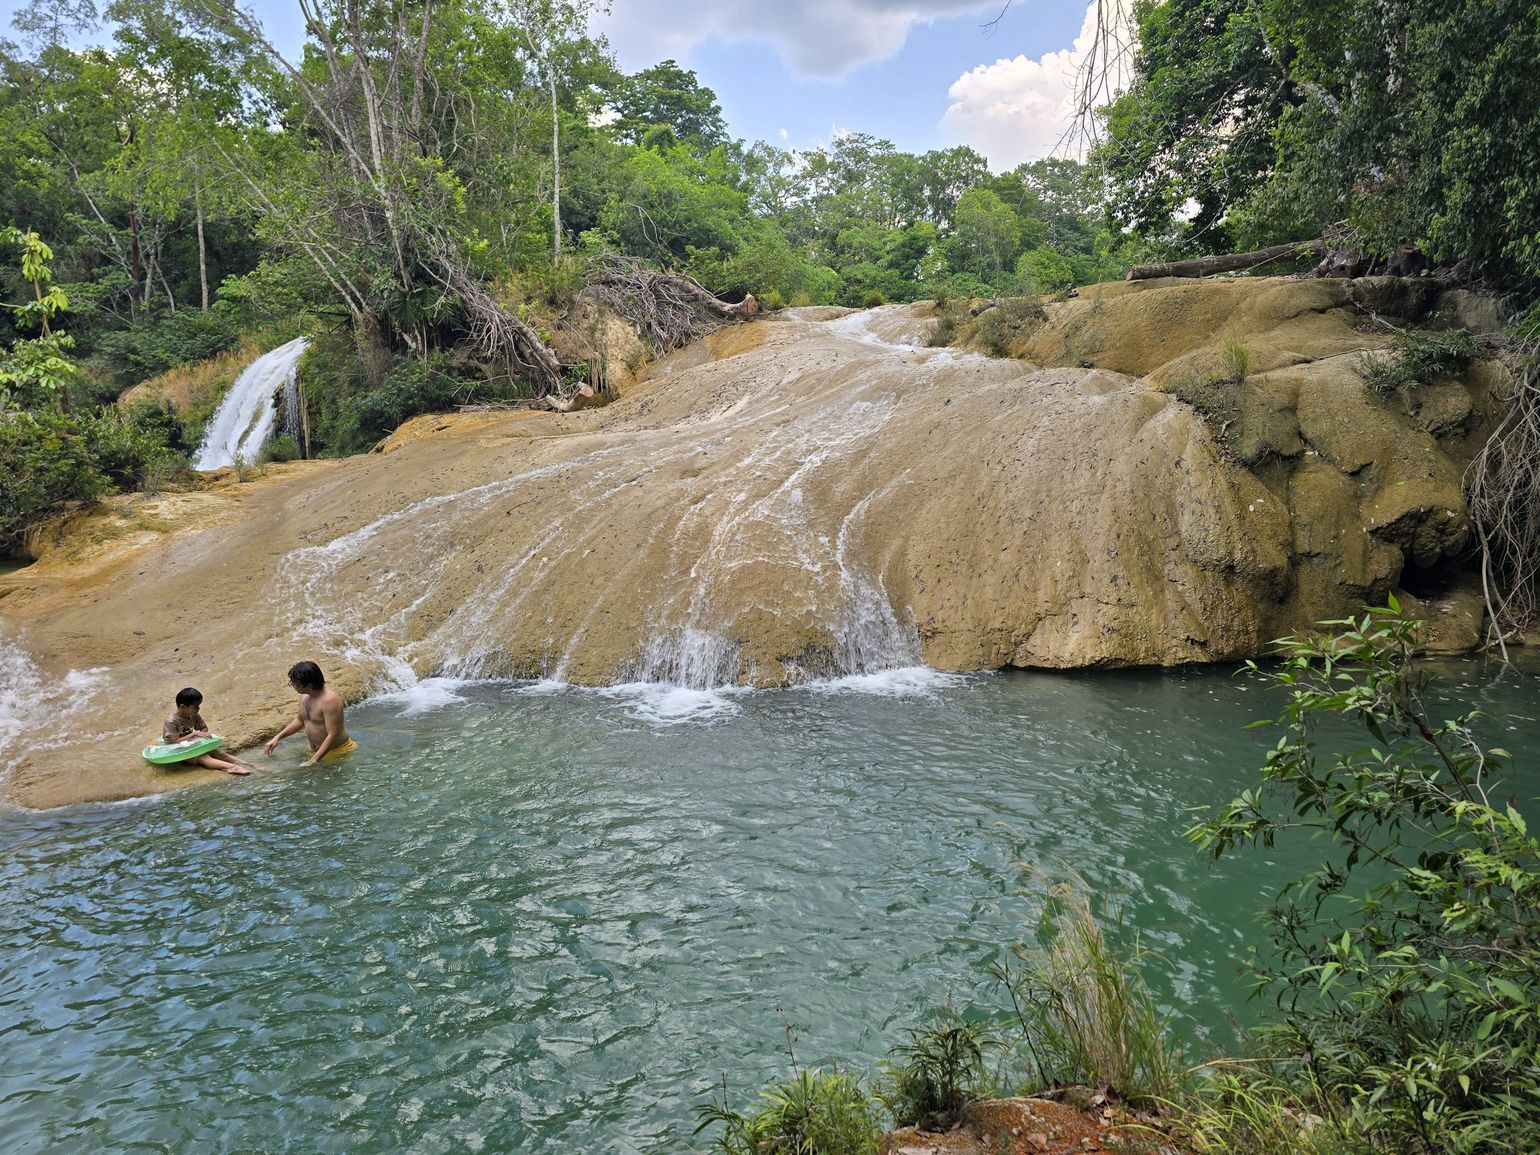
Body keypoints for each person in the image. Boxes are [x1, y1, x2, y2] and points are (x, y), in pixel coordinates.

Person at [266, 660, 355, 766]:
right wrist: (277, 737)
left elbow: (333, 734)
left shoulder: (329, 701)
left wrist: (313, 760)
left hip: (338, 751)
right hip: (317, 751)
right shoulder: (305, 697)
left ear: (308, 684)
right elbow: (300, 720)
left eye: (295, 683)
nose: (293, 685)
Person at [160, 687, 254, 775]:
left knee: (219, 754)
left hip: (193, 743)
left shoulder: (193, 714)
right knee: (204, 758)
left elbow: (204, 728)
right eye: (195, 707)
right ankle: (232, 767)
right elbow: (172, 741)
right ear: (182, 706)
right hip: (180, 749)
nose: (198, 709)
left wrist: (202, 734)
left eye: (199, 706)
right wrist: (194, 734)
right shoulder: (171, 721)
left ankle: (249, 764)